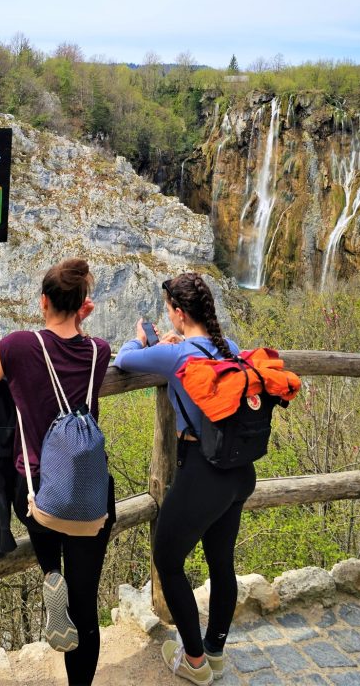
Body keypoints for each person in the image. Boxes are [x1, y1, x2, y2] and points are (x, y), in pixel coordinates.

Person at [0, 258, 114, 686]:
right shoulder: (100, 351)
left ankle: (51, 575)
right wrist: (81, 318)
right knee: (87, 609)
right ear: (84, 305)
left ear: (43, 301)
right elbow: (78, 338)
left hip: (38, 490)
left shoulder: (19, 346)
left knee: (48, 534)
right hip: (89, 490)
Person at [113, 272, 256, 685]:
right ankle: (214, 652)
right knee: (221, 562)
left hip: (202, 470)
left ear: (178, 314)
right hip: (238, 472)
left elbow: (123, 360)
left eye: (169, 310)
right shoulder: (228, 347)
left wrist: (144, 338)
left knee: (168, 559)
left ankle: (193, 661)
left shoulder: (176, 355)